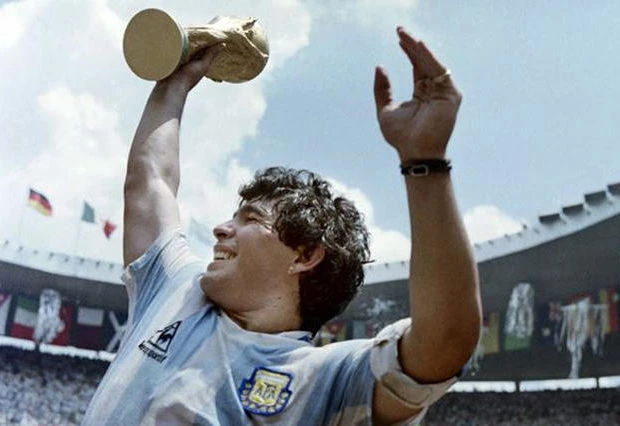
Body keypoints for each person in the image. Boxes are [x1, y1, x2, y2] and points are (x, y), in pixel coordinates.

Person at [83, 26, 481, 425]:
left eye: (251, 218)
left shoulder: (323, 378)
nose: (220, 228)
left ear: (304, 256)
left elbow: (445, 342)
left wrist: (425, 161)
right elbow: (150, 181)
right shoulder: (174, 289)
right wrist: (177, 80)